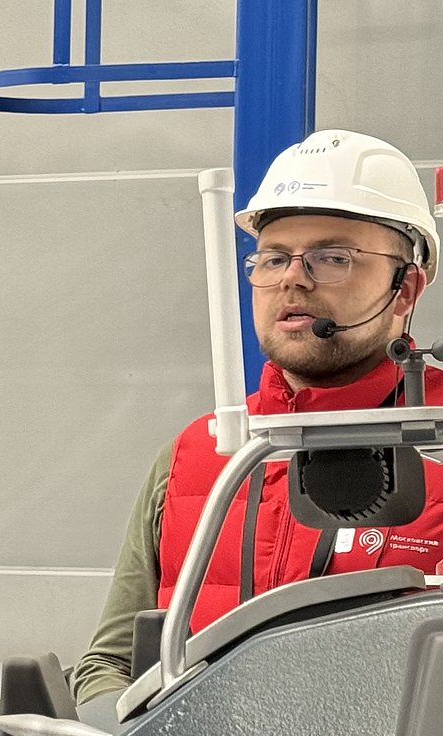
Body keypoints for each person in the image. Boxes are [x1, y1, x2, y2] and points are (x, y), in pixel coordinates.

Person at [72, 130, 443, 706]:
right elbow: (112, 663)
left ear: (405, 289)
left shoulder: (434, 438)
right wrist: (120, 735)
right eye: (273, 259)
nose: (292, 278)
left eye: (332, 258)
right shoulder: (199, 453)